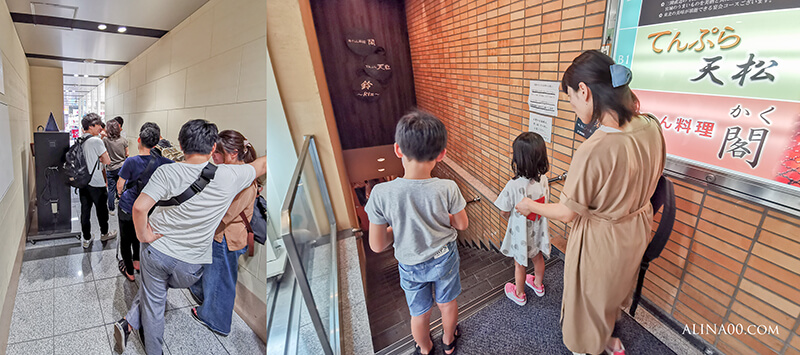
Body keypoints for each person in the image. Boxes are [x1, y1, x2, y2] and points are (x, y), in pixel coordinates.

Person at [514, 50, 665, 355]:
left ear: (584, 91)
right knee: (613, 291)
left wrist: (531, 207)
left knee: (588, 300)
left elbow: (567, 212)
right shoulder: (650, 126)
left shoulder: (596, 148)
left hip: (603, 239)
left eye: (571, 99)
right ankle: (608, 339)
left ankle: (589, 347)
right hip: (636, 229)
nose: (572, 107)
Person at [113, 119, 266, 355]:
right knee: (156, 290)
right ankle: (129, 321)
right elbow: (262, 165)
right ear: (213, 148)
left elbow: (139, 208)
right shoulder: (230, 175)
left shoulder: (167, 171)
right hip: (192, 265)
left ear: (181, 146)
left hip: (158, 252)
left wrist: (144, 235)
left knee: (154, 297)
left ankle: (150, 345)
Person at [365, 110, 468, 355]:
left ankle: (424, 348)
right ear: (441, 154)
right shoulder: (447, 187)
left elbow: (378, 245)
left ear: (397, 149)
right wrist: (443, 217)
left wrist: (399, 227)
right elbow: (462, 224)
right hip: (444, 256)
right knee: (447, 303)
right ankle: (449, 341)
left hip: (410, 262)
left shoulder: (381, 193)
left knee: (419, 312)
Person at [188, 130, 259, 336]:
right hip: (221, 234)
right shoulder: (231, 173)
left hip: (227, 237)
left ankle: (216, 320)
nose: (214, 157)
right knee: (211, 274)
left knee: (222, 280)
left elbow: (226, 214)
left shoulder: (244, 179)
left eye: (217, 152)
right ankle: (204, 298)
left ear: (233, 153)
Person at [494, 132, 550, 306]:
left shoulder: (513, 185)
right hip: (538, 230)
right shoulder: (544, 180)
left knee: (520, 264)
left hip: (521, 234)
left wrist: (510, 217)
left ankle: (519, 293)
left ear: (518, 159)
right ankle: (538, 285)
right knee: (537, 257)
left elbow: (503, 210)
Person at [115, 123, 173, 281]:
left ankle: (129, 272)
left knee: (126, 240)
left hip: (128, 206)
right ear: (157, 142)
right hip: (150, 209)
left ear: (139, 139)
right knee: (140, 234)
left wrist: (120, 194)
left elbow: (120, 185)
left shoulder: (131, 162)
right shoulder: (165, 163)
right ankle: (137, 262)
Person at [78, 113, 117, 248]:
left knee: (85, 211)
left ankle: (87, 239)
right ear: (91, 126)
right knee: (101, 211)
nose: (101, 127)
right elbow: (107, 161)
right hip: (96, 182)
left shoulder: (80, 139)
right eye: (98, 125)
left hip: (83, 182)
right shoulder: (96, 141)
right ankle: (104, 234)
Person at [103, 120, 128, 216]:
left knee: (111, 189)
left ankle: (111, 209)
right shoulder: (123, 140)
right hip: (122, 167)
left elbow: (103, 152)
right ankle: (121, 205)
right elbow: (127, 153)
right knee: (121, 187)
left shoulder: (105, 140)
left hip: (111, 168)